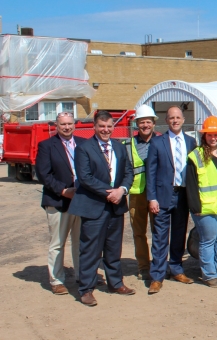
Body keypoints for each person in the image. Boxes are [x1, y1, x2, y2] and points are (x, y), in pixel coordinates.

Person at [68, 111, 135, 306]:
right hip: (94, 206)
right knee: (90, 249)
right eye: (102, 126)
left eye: (109, 126)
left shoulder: (119, 147)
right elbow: (85, 177)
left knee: (113, 248)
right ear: (95, 127)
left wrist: (121, 190)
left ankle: (115, 283)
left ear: (113, 127)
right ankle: (86, 289)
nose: (106, 130)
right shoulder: (84, 148)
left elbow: (129, 172)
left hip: (116, 206)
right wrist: (109, 193)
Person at [145, 106, 197, 294]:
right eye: (171, 118)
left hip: (183, 195)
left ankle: (176, 268)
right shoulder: (157, 143)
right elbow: (150, 173)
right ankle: (157, 276)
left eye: (178, 117)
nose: (175, 120)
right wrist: (152, 198)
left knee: (179, 234)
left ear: (183, 119)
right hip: (162, 196)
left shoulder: (191, 142)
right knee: (160, 237)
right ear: (166, 121)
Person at [35, 111, 85, 295]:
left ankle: (83, 276)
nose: (67, 127)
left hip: (81, 201)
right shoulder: (47, 145)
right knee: (57, 243)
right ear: (57, 126)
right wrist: (64, 191)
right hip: (58, 201)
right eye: (63, 124)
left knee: (81, 242)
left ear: (75, 124)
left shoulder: (83, 143)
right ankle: (56, 280)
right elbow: (43, 174)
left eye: (70, 123)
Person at [186, 116, 217, 288]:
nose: (213, 138)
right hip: (205, 208)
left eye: (216, 135)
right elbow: (191, 185)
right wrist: (195, 207)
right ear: (204, 136)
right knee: (208, 241)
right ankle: (209, 275)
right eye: (209, 135)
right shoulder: (196, 156)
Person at [123, 105, 159, 280]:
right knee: (139, 232)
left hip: (157, 195)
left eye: (148, 122)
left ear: (153, 123)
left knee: (158, 231)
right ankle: (144, 266)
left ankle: (159, 265)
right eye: (142, 122)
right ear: (137, 124)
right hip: (136, 193)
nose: (145, 125)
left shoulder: (162, 141)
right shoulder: (127, 145)